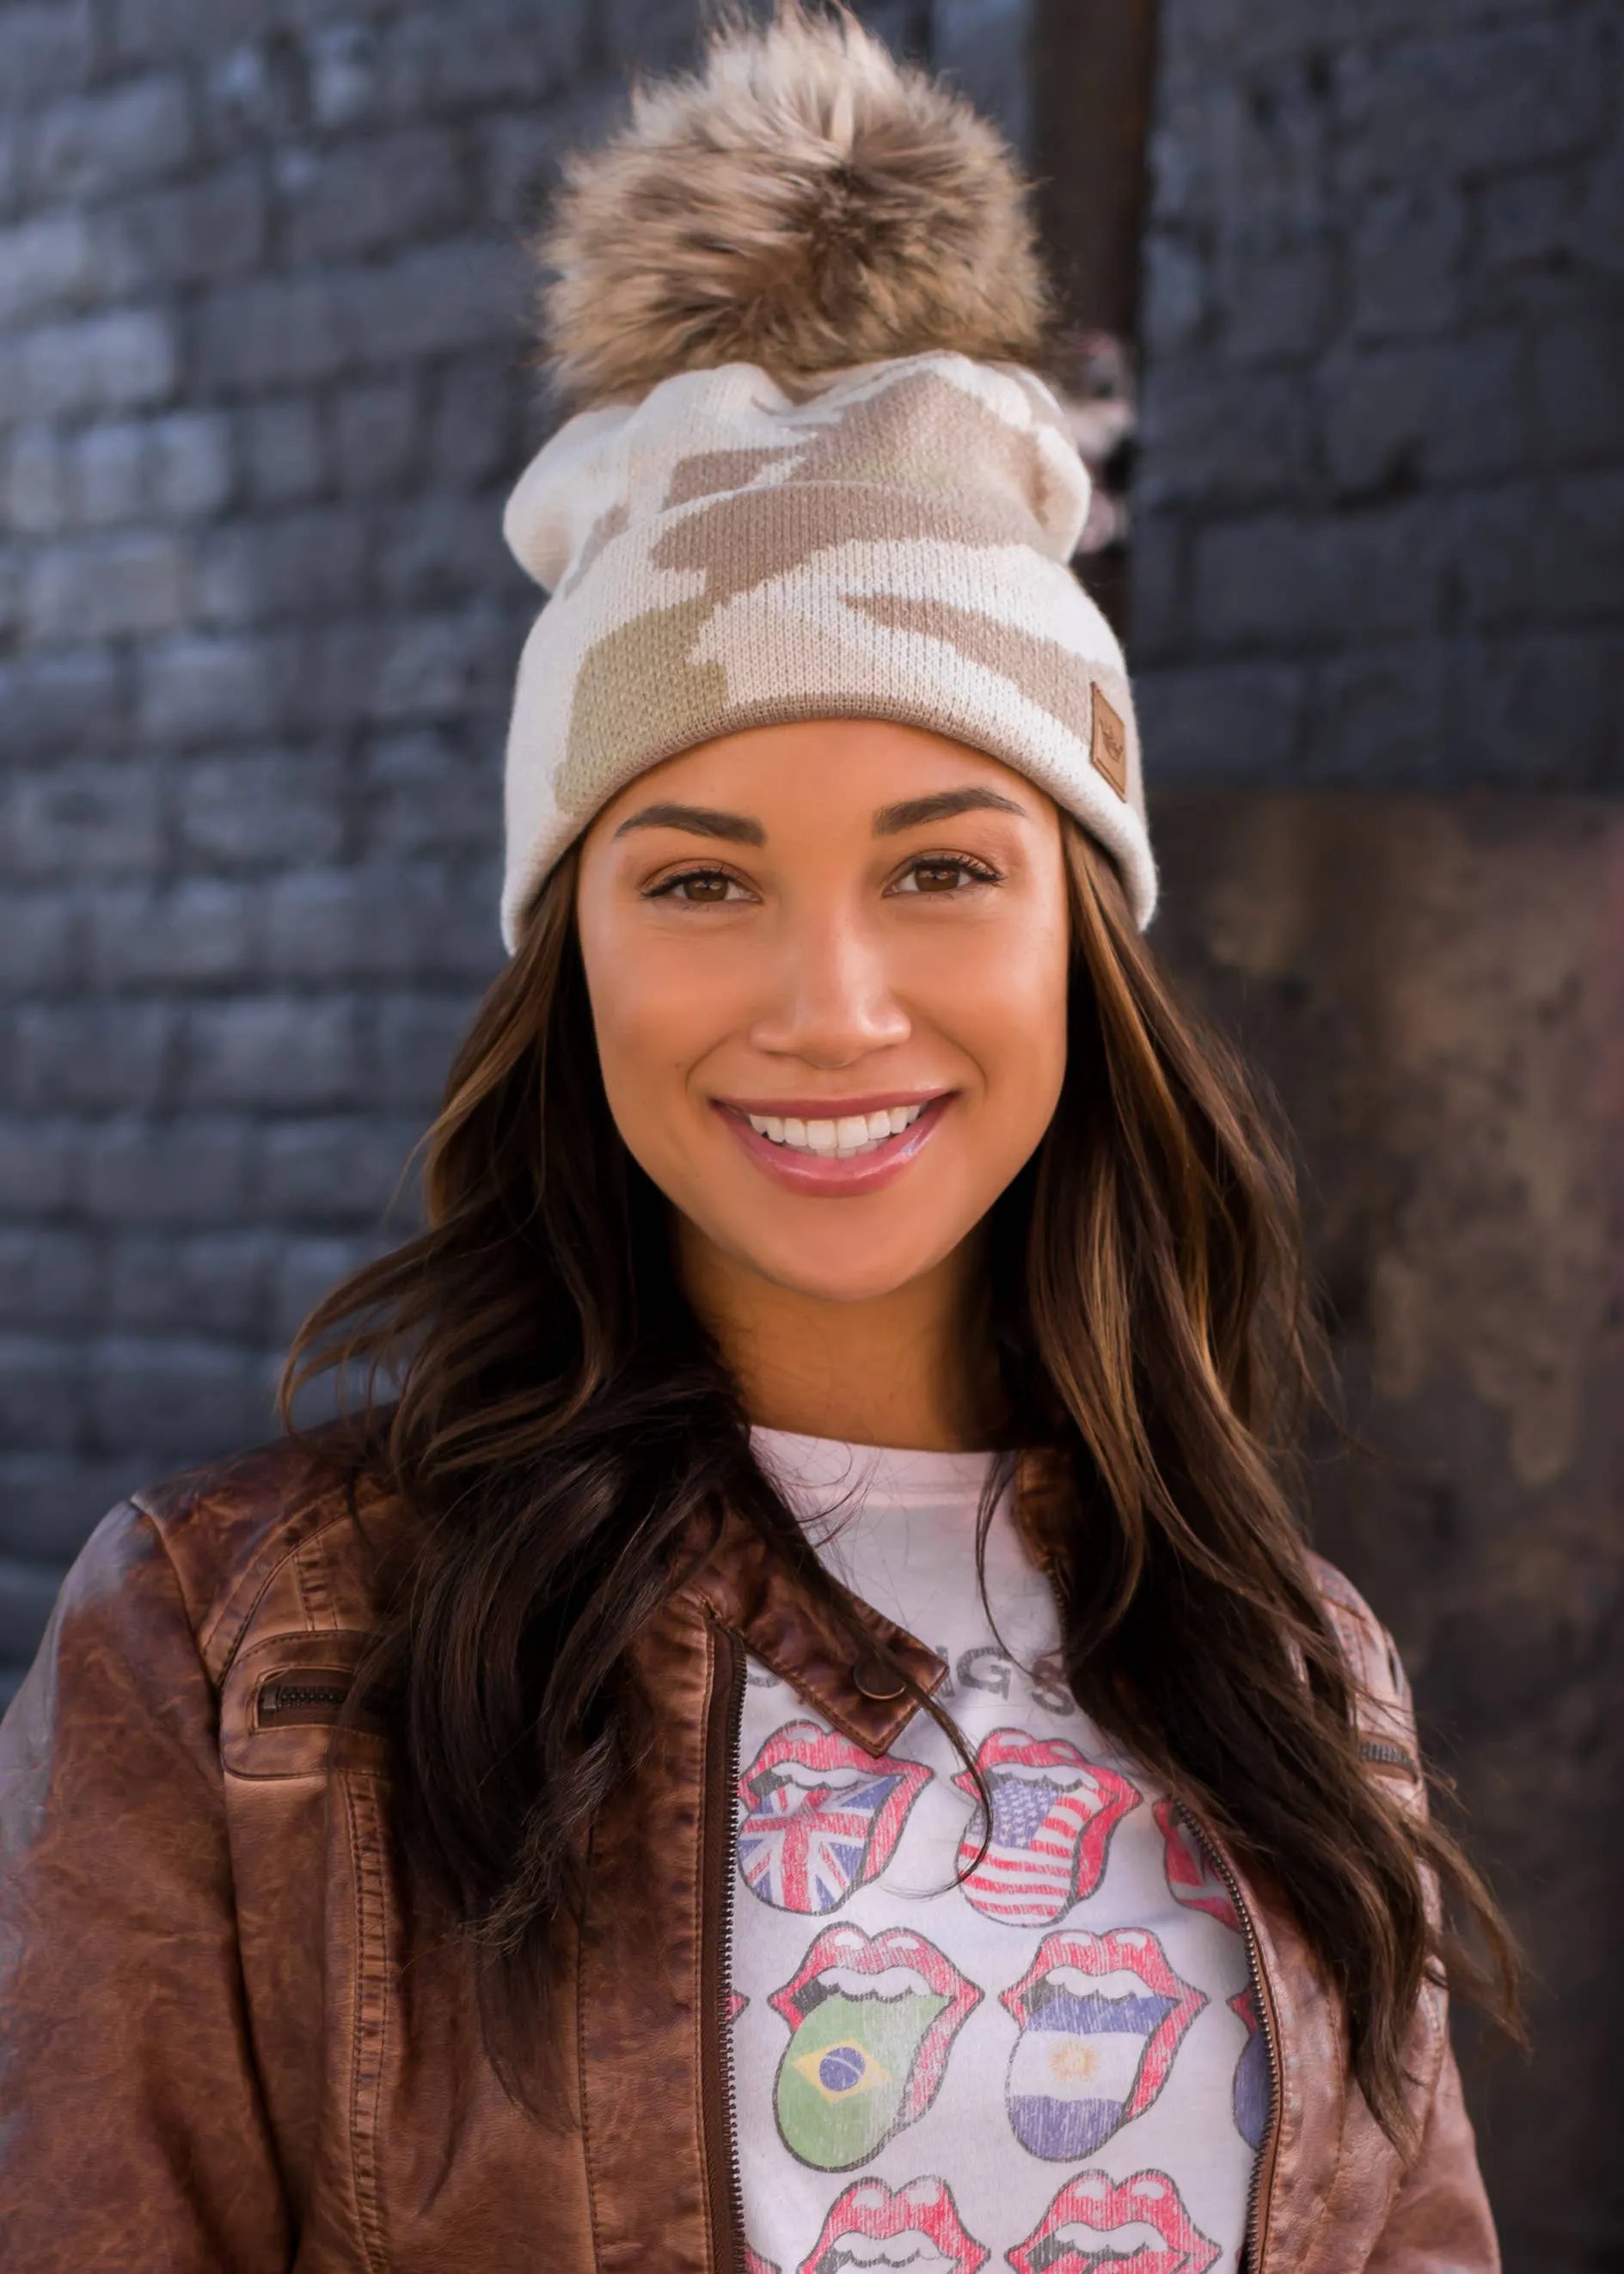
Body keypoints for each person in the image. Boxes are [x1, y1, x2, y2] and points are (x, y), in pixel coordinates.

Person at [0, 10, 1517, 2271]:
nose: (833, 1003)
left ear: (1080, 943)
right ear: (574, 953)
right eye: (700, 876)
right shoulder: (237, 1664)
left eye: (944, 865)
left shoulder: (1299, 1672)